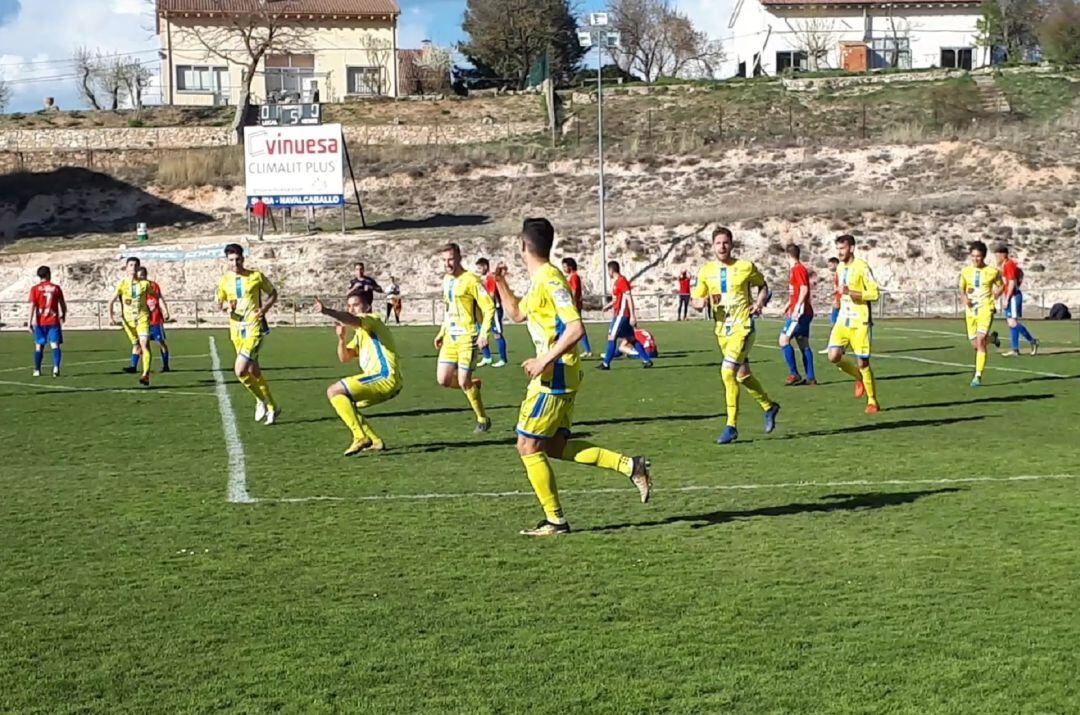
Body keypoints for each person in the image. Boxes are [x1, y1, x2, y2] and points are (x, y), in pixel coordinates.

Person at [491, 218, 652, 537]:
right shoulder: (540, 281)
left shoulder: (551, 280)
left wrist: (543, 359)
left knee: (527, 446)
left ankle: (555, 521)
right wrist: (499, 282)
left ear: (522, 245)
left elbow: (577, 328)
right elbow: (518, 313)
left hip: (555, 375)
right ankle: (630, 466)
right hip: (558, 374)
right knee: (552, 445)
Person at [691, 227, 780, 444]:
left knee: (727, 371)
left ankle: (731, 426)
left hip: (743, 327)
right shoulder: (706, 271)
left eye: (725, 242)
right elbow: (695, 300)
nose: (722, 247)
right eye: (718, 243)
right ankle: (769, 406)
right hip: (723, 331)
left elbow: (764, 286)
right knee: (742, 375)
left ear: (732, 245)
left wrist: (759, 303)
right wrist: (700, 303)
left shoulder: (745, 267)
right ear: (712, 246)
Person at [315, 292, 403, 455]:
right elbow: (345, 357)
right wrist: (341, 339)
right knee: (343, 399)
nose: (352, 309)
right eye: (349, 306)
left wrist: (327, 311)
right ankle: (374, 440)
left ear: (368, 307)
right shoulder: (360, 333)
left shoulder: (372, 320)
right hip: (387, 381)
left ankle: (359, 436)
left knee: (334, 391)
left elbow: (352, 319)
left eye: (355, 305)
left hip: (385, 376)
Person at [216, 243, 281, 424]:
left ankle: (260, 401)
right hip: (236, 329)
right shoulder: (224, 280)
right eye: (231, 260)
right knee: (253, 370)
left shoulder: (255, 276)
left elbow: (273, 293)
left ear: (243, 259)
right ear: (227, 261)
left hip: (254, 327)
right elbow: (219, 303)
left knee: (240, 370)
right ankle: (273, 407)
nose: (235, 263)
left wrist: (264, 309)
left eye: (238, 259)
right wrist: (227, 306)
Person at [434, 243, 495, 433]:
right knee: (443, 380)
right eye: (444, 260)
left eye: (450, 259)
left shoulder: (471, 280)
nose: (447, 263)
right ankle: (472, 384)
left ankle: (483, 419)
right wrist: (442, 332)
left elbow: (489, 307)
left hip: (467, 337)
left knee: (461, 381)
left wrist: (484, 332)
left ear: (459, 257)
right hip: (450, 338)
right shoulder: (446, 280)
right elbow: (448, 308)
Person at [826, 235, 881, 413]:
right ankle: (858, 377)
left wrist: (851, 292)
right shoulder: (840, 267)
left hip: (859, 320)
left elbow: (874, 293)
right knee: (833, 356)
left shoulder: (862, 267)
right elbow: (842, 290)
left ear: (851, 248)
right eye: (838, 249)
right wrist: (838, 298)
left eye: (842, 248)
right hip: (843, 319)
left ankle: (872, 401)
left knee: (863, 363)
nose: (840, 253)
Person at [959, 241, 1005, 387]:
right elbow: (961, 289)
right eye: (973, 256)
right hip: (971, 311)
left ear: (983, 256)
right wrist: (965, 298)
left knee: (979, 342)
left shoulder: (992, 272)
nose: (975, 259)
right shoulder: (965, 272)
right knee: (975, 344)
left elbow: (1001, 285)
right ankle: (992, 339)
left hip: (986, 308)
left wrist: (998, 292)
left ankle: (977, 376)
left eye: (978, 256)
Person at [598, 261, 653, 370]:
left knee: (612, 337)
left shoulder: (622, 281)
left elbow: (629, 298)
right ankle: (646, 360)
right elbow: (616, 299)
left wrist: (633, 315)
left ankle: (606, 363)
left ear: (611, 270)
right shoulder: (616, 282)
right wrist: (608, 306)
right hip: (620, 314)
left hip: (622, 315)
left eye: (608, 270)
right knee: (632, 339)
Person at [108, 256, 153, 386]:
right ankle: (134, 366)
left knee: (144, 345)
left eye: (135, 265)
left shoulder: (145, 284)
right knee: (136, 345)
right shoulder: (122, 284)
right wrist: (111, 317)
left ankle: (145, 375)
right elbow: (111, 301)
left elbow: (157, 296)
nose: (133, 267)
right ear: (126, 268)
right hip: (128, 321)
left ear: (138, 268)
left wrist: (162, 308)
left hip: (142, 318)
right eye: (130, 265)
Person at [779, 244, 816, 386]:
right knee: (803, 343)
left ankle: (794, 374)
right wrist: (788, 306)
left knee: (783, 340)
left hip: (800, 313)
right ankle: (811, 377)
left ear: (787, 256)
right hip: (804, 311)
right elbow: (796, 292)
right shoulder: (797, 270)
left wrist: (797, 307)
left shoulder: (798, 269)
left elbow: (804, 289)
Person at [993, 245, 1039, 356]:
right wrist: (998, 294)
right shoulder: (1005, 265)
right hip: (1010, 296)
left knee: (1013, 322)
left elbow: (1012, 283)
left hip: (1013, 296)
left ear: (1003, 254)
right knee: (1011, 323)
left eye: (998, 255)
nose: (996, 257)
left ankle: (1032, 341)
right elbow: (1006, 284)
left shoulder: (1009, 264)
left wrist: (1007, 299)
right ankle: (1015, 349)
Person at [28, 265, 66, 377]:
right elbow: (62, 303)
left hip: (40, 322)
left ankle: (37, 370)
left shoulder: (35, 289)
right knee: (55, 345)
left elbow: (32, 306)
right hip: (53, 320)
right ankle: (56, 368)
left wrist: (29, 322)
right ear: (49, 274)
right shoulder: (56, 288)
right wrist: (64, 314)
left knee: (39, 346)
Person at [475, 257, 509, 368]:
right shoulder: (481, 279)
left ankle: (503, 359)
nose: (478, 270)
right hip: (484, 310)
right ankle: (487, 357)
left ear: (485, 266)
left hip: (494, 309)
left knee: (497, 334)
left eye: (480, 267)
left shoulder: (491, 278)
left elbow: (492, 295)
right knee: (482, 332)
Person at [137, 266, 172, 373]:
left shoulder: (153, 286)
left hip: (155, 320)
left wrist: (165, 310)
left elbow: (159, 298)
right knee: (141, 344)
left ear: (146, 275)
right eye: (138, 276)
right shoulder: (135, 288)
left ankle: (166, 366)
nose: (141, 278)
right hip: (143, 321)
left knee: (160, 342)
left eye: (142, 275)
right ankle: (138, 367)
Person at [561, 257, 592, 356]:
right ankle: (586, 350)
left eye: (565, 266)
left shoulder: (574, 276)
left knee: (575, 327)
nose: (564, 268)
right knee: (575, 327)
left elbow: (574, 291)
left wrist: (572, 304)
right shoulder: (570, 276)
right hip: (572, 305)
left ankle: (585, 350)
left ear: (570, 266)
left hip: (574, 305)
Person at [819, 257, 841, 355]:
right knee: (837, 326)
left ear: (835, 263)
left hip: (839, 303)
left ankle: (831, 347)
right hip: (838, 301)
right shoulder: (838, 274)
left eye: (830, 264)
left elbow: (840, 288)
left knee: (835, 326)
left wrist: (836, 299)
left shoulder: (840, 273)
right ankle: (838, 347)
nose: (829, 267)